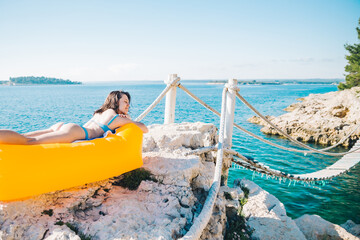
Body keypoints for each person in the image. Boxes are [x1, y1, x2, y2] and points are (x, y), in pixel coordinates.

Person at [0, 90, 148, 145]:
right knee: (29, 142)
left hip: (67, 126)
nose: (128, 105)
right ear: (116, 101)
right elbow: (144, 128)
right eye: (126, 102)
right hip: (76, 132)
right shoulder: (116, 118)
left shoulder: (100, 112)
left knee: (23, 135)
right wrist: (128, 118)